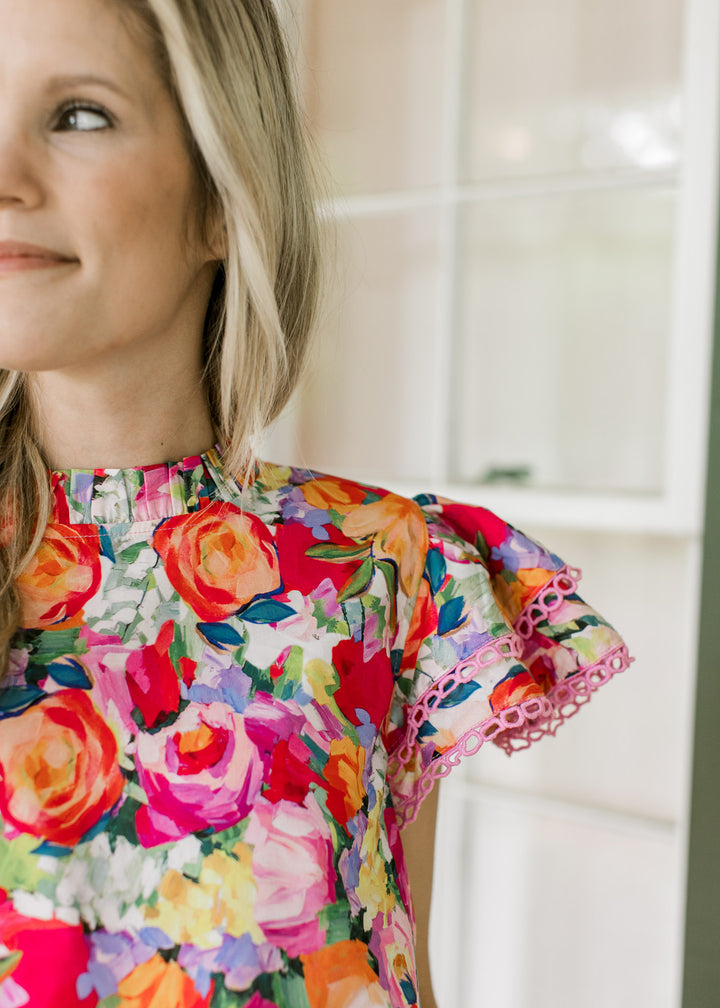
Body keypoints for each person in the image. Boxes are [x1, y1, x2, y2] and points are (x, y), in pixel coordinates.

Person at [0, 1, 630, 1006]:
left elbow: (394, 966)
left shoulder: (393, 569)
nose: (6, 176)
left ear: (221, 193)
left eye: (78, 115)